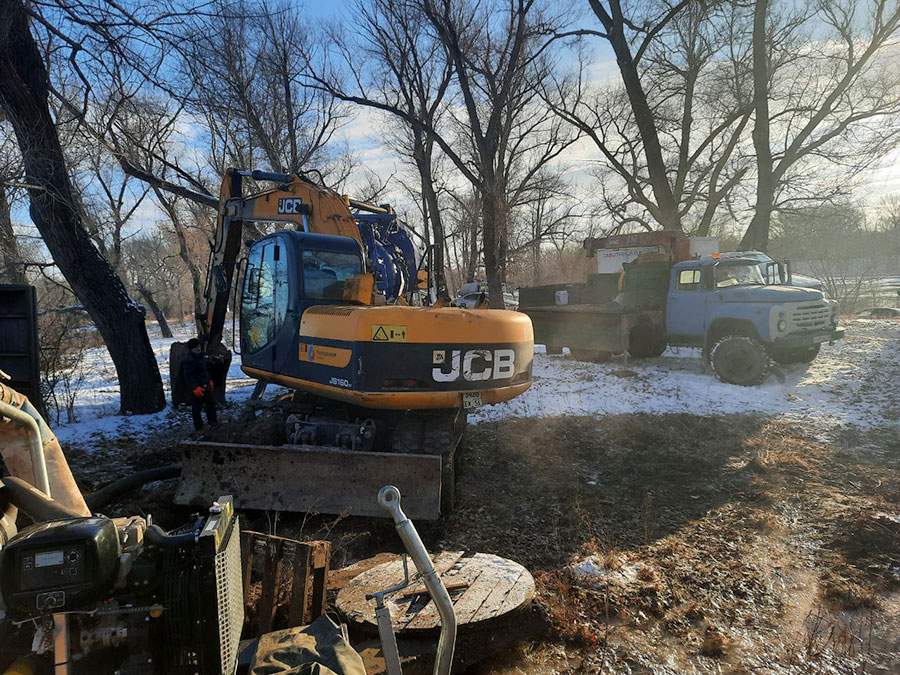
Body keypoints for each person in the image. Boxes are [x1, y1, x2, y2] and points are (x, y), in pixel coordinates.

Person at [182, 338, 218, 431]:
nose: (198, 349)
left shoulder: (201, 357)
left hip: (205, 384)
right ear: (191, 350)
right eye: (195, 348)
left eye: (198, 347)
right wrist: (194, 388)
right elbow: (188, 376)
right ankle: (199, 427)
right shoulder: (189, 360)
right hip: (196, 387)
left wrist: (209, 380)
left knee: (210, 404)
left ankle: (213, 422)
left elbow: (205, 371)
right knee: (197, 407)